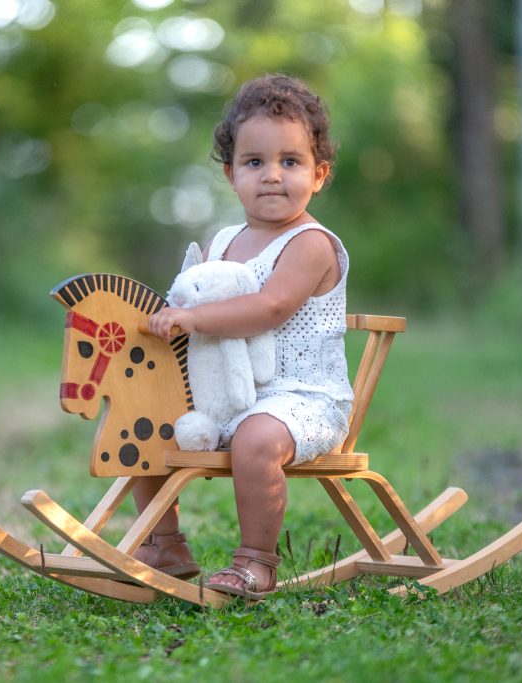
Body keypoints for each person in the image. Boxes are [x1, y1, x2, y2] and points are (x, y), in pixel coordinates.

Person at [138, 74, 354, 600]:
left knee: (257, 438)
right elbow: (194, 297)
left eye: (291, 161)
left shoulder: (311, 244)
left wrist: (193, 321)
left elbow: (269, 308)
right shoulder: (224, 239)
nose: (273, 176)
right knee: (145, 417)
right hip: (226, 396)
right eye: (255, 163)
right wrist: (168, 317)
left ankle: (257, 560)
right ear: (231, 175)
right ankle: (163, 542)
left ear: (319, 174)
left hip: (304, 401)